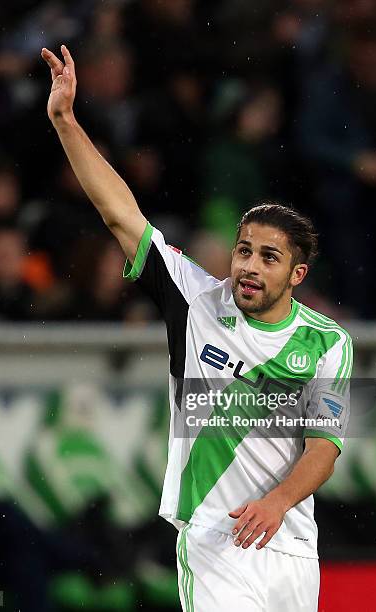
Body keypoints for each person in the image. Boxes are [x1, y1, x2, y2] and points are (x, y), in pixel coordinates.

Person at [41, 44, 353, 612]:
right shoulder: (195, 301)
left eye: (268, 258)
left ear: (297, 274)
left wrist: (277, 503)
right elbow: (121, 214)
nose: (250, 267)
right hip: (214, 540)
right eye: (243, 251)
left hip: (292, 550)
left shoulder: (328, 341)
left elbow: (324, 448)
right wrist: (66, 122)